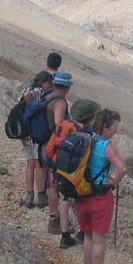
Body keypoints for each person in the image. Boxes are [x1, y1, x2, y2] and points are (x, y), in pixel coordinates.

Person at [76, 109, 127, 264]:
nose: (116, 131)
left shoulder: (86, 139)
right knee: (99, 240)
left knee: (88, 235)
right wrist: (113, 181)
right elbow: (122, 168)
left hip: (81, 195)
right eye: (114, 127)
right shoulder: (106, 146)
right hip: (99, 197)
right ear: (106, 127)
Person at [45, 98, 101, 248]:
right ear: (90, 118)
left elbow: (49, 150)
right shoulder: (88, 133)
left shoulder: (62, 126)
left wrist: (53, 167)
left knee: (64, 200)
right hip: (78, 174)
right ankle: (83, 232)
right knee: (82, 201)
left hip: (61, 170)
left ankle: (64, 236)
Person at [42, 72, 72, 235]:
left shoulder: (48, 96)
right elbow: (58, 123)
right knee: (55, 184)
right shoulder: (59, 101)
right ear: (67, 87)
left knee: (50, 182)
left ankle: (55, 218)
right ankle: (55, 222)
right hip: (53, 146)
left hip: (44, 144)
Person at [20, 71, 52, 209]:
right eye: (49, 84)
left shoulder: (28, 87)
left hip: (25, 132)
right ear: (44, 82)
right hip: (35, 133)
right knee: (39, 164)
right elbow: (27, 97)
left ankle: (28, 196)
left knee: (29, 164)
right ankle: (40, 196)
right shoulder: (38, 90)